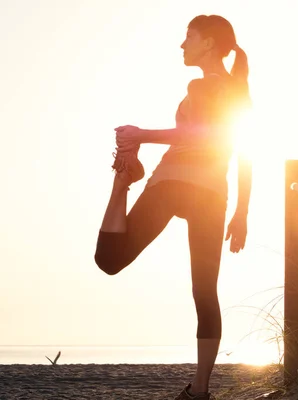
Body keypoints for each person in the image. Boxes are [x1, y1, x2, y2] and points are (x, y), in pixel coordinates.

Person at [93, 14, 252, 400]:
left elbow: (201, 134)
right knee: (204, 291)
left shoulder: (203, 85)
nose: (182, 45)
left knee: (109, 259)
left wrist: (141, 135)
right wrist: (241, 212)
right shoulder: (236, 90)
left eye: (189, 37)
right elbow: (245, 151)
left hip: (175, 180)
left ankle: (121, 184)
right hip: (212, 193)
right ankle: (199, 390)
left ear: (210, 44)